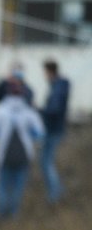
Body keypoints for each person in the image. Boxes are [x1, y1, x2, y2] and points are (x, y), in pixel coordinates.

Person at [0, 77, 45, 221]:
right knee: (18, 188)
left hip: (4, 155)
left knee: (3, 186)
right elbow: (39, 133)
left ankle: (1, 215)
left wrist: (0, 134)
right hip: (24, 156)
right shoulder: (29, 112)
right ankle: (14, 215)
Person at [39, 59, 70, 204]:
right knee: (47, 161)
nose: (44, 75)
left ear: (50, 72)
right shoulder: (59, 86)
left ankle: (54, 193)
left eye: (44, 72)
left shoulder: (57, 88)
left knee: (46, 162)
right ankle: (57, 189)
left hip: (53, 129)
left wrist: (40, 111)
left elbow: (54, 109)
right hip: (55, 128)